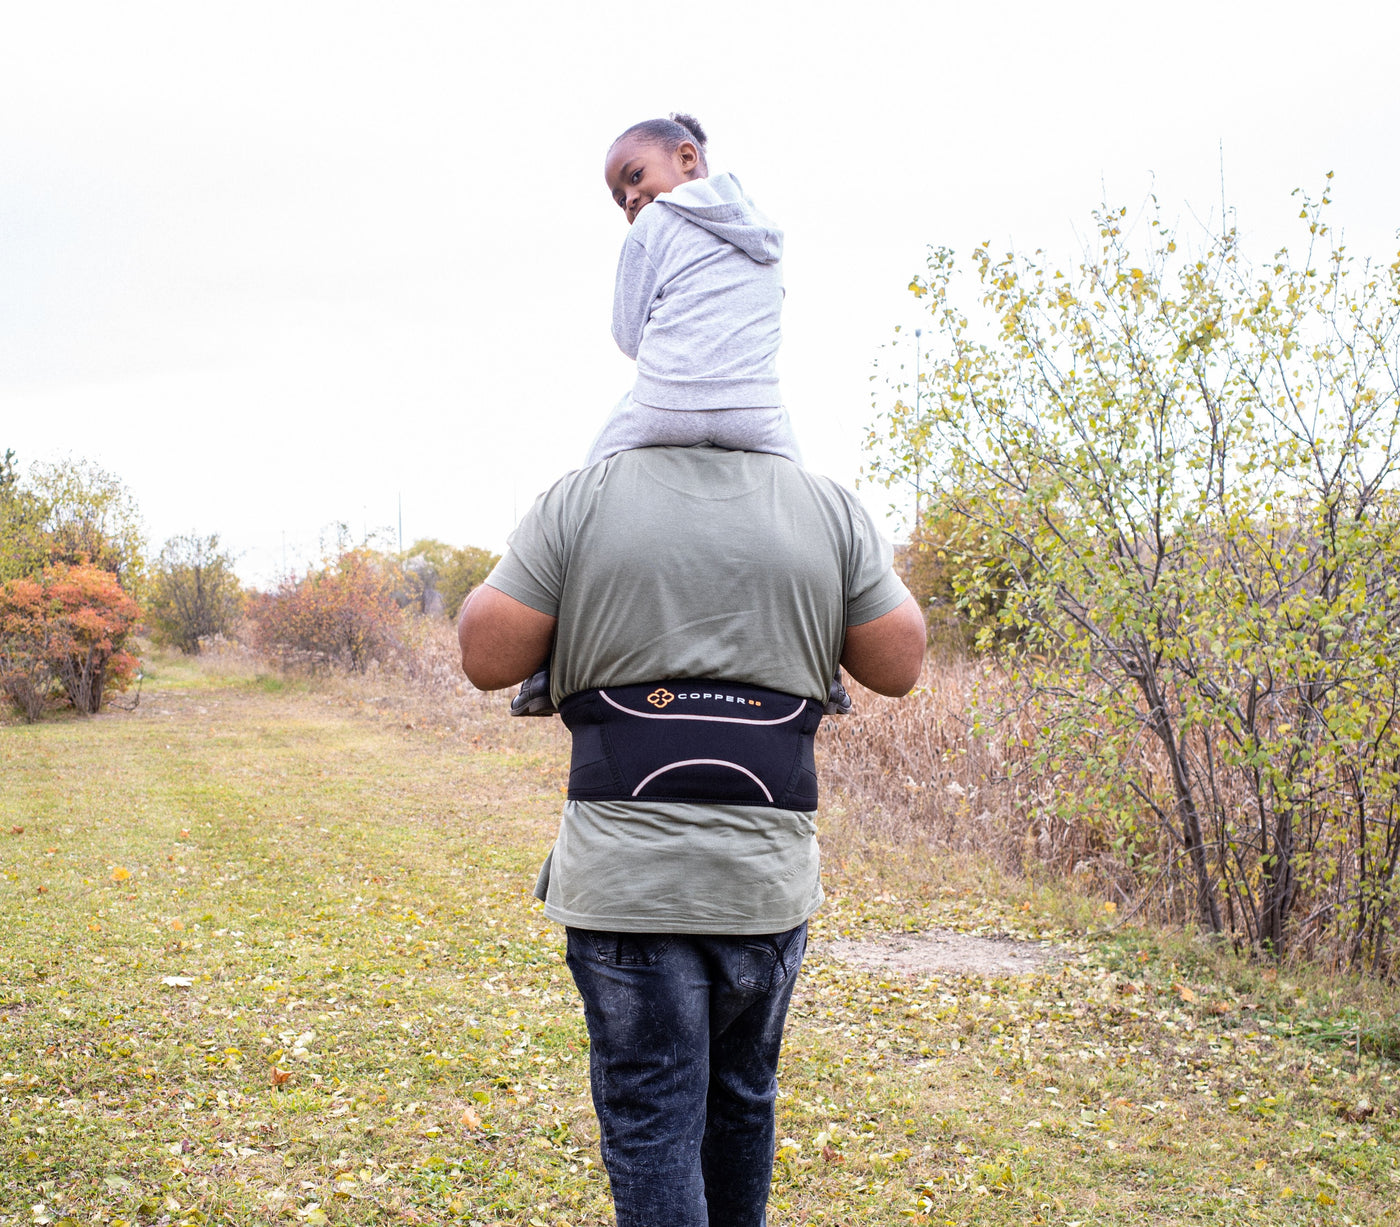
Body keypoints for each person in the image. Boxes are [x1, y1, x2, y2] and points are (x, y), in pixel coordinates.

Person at [459, 445, 926, 1226]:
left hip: (628, 882)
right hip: (763, 884)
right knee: (742, 1104)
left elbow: (484, 654)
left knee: (653, 1127)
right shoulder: (827, 508)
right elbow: (900, 660)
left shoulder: (582, 499)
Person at [588, 111, 800, 466]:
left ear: (686, 157)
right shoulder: (764, 230)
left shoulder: (653, 221)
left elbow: (627, 337)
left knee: (588, 480)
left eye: (635, 177)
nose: (631, 200)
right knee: (799, 483)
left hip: (665, 405)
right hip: (756, 410)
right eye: (621, 199)